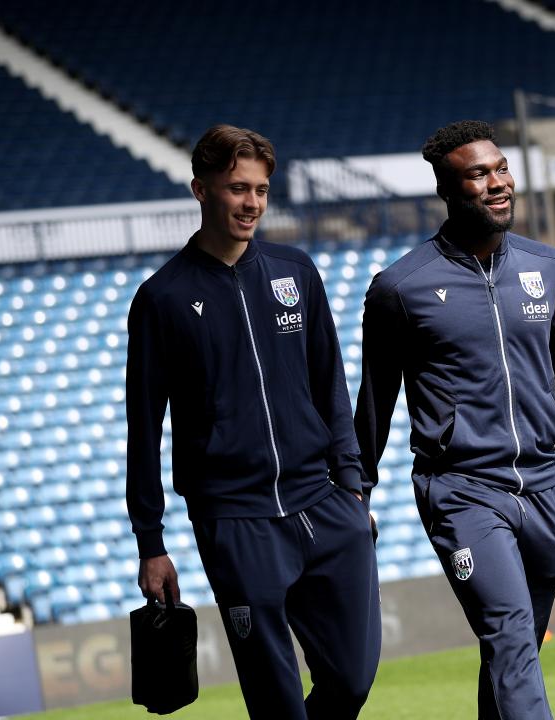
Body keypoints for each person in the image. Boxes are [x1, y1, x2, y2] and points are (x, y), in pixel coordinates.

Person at [354, 120, 555, 720]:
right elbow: (374, 403)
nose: (498, 183)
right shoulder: (400, 288)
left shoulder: (549, 269)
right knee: (507, 632)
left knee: (514, 650)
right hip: (462, 491)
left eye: (501, 169)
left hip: (547, 491)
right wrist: (355, 492)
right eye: (479, 174)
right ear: (448, 191)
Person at [126, 124, 380, 719]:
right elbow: (144, 428)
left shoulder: (297, 270)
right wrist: (151, 543)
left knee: (352, 678)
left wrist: (353, 486)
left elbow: (331, 385)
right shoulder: (162, 298)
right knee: (276, 701)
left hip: (324, 504)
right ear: (201, 189)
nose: (252, 204)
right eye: (238, 188)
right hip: (235, 520)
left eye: (262, 190)